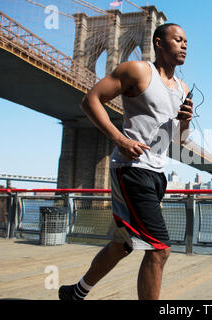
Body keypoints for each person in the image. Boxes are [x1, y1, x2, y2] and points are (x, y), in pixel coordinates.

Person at [58, 23, 193, 300]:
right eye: (177, 39)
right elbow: (91, 100)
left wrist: (186, 121)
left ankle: (76, 293)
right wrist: (120, 139)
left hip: (157, 174)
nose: (184, 45)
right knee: (159, 249)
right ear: (158, 42)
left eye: (186, 41)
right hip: (132, 170)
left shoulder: (183, 88)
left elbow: (180, 141)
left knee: (122, 244)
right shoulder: (138, 71)